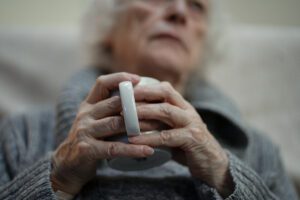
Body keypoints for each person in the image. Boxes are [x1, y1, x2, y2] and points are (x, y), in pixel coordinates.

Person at [0, 0, 298, 199]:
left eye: (196, 6)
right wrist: (58, 180)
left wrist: (224, 175)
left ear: (203, 42)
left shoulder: (258, 151)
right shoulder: (22, 134)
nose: (179, 11)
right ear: (108, 27)